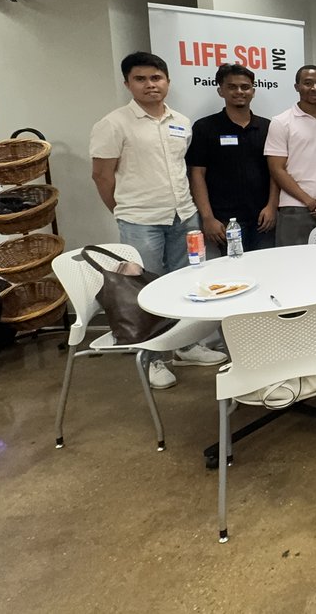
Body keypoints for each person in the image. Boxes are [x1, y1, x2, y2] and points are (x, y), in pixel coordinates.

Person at [90, 52, 226, 389]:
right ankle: (152, 358)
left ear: (166, 81)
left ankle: (185, 345)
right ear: (127, 83)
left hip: (184, 214)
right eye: (141, 79)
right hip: (141, 220)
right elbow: (102, 177)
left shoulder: (180, 121)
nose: (150, 85)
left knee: (185, 284)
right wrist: (125, 212)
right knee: (145, 289)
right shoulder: (113, 124)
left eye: (156, 78)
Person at [187, 63, 278, 259]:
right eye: (232, 86)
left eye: (245, 87)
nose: (239, 91)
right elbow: (197, 174)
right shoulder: (205, 127)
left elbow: (275, 172)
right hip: (225, 220)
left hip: (263, 217)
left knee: (268, 268)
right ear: (221, 90)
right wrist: (207, 217)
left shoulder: (267, 127)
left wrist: (272, 206)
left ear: (253, 91)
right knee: (233, 275)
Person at [266, 65, 316, 247]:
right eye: (308, 83)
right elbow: (276, 169)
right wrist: (310, 202)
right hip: (295, 207)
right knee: (295, 265)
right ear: (297, 87)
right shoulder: (281, 122)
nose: (315, 88)